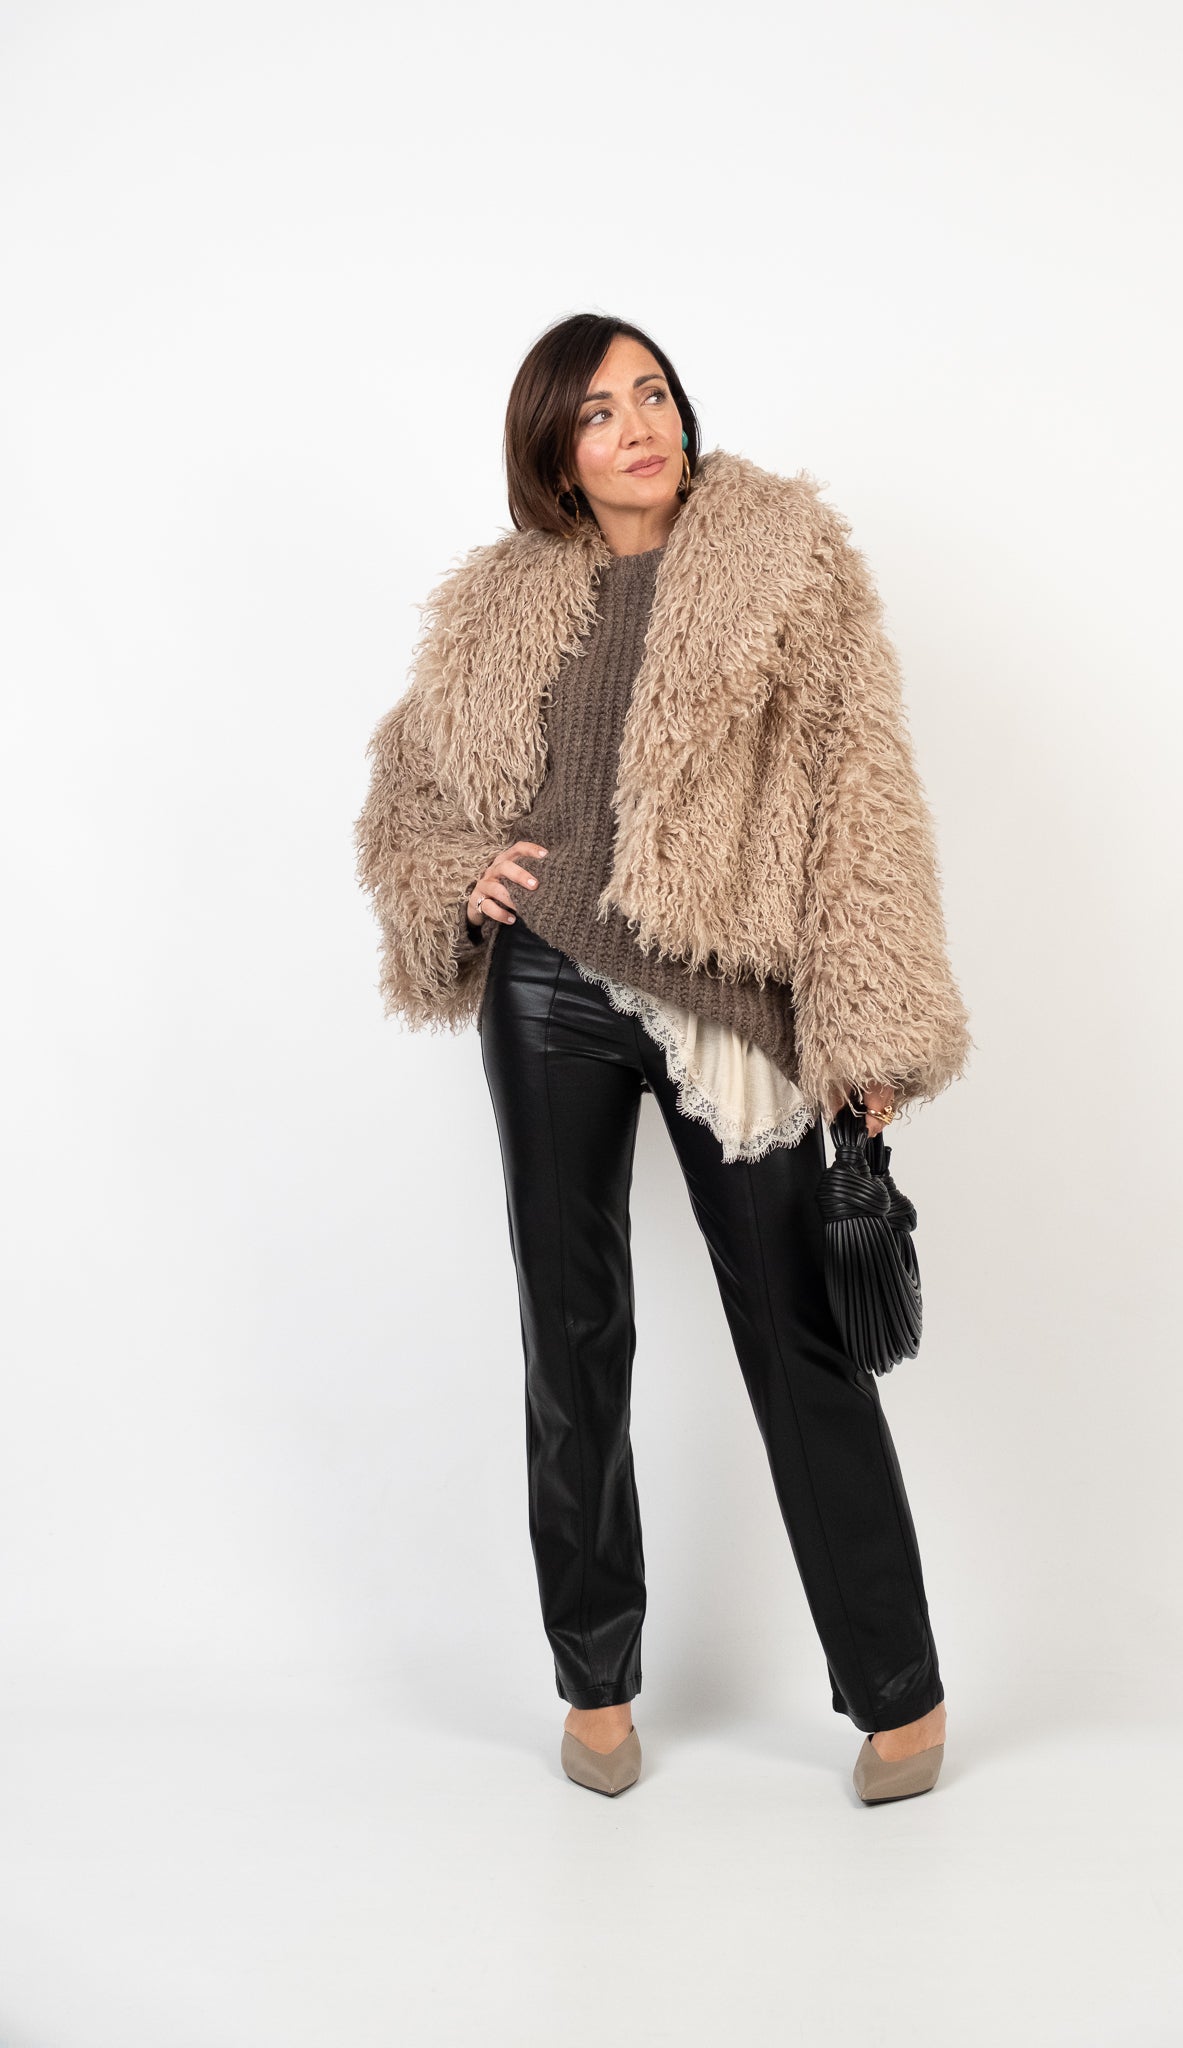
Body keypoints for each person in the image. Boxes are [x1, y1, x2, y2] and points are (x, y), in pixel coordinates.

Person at [354, 313, 974, 1803]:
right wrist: (456, 874)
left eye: (652, 394)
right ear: (555, 451)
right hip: (547, 988)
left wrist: (869, 1024)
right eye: (597, 411)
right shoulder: (500, 601)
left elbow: (859, 792)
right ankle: (595, 1682)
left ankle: (897, 1692)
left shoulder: (782, 561)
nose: (637, 425)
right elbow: (409, 791)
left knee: (800, 1340)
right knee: (570, 1339)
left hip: (723, 998)